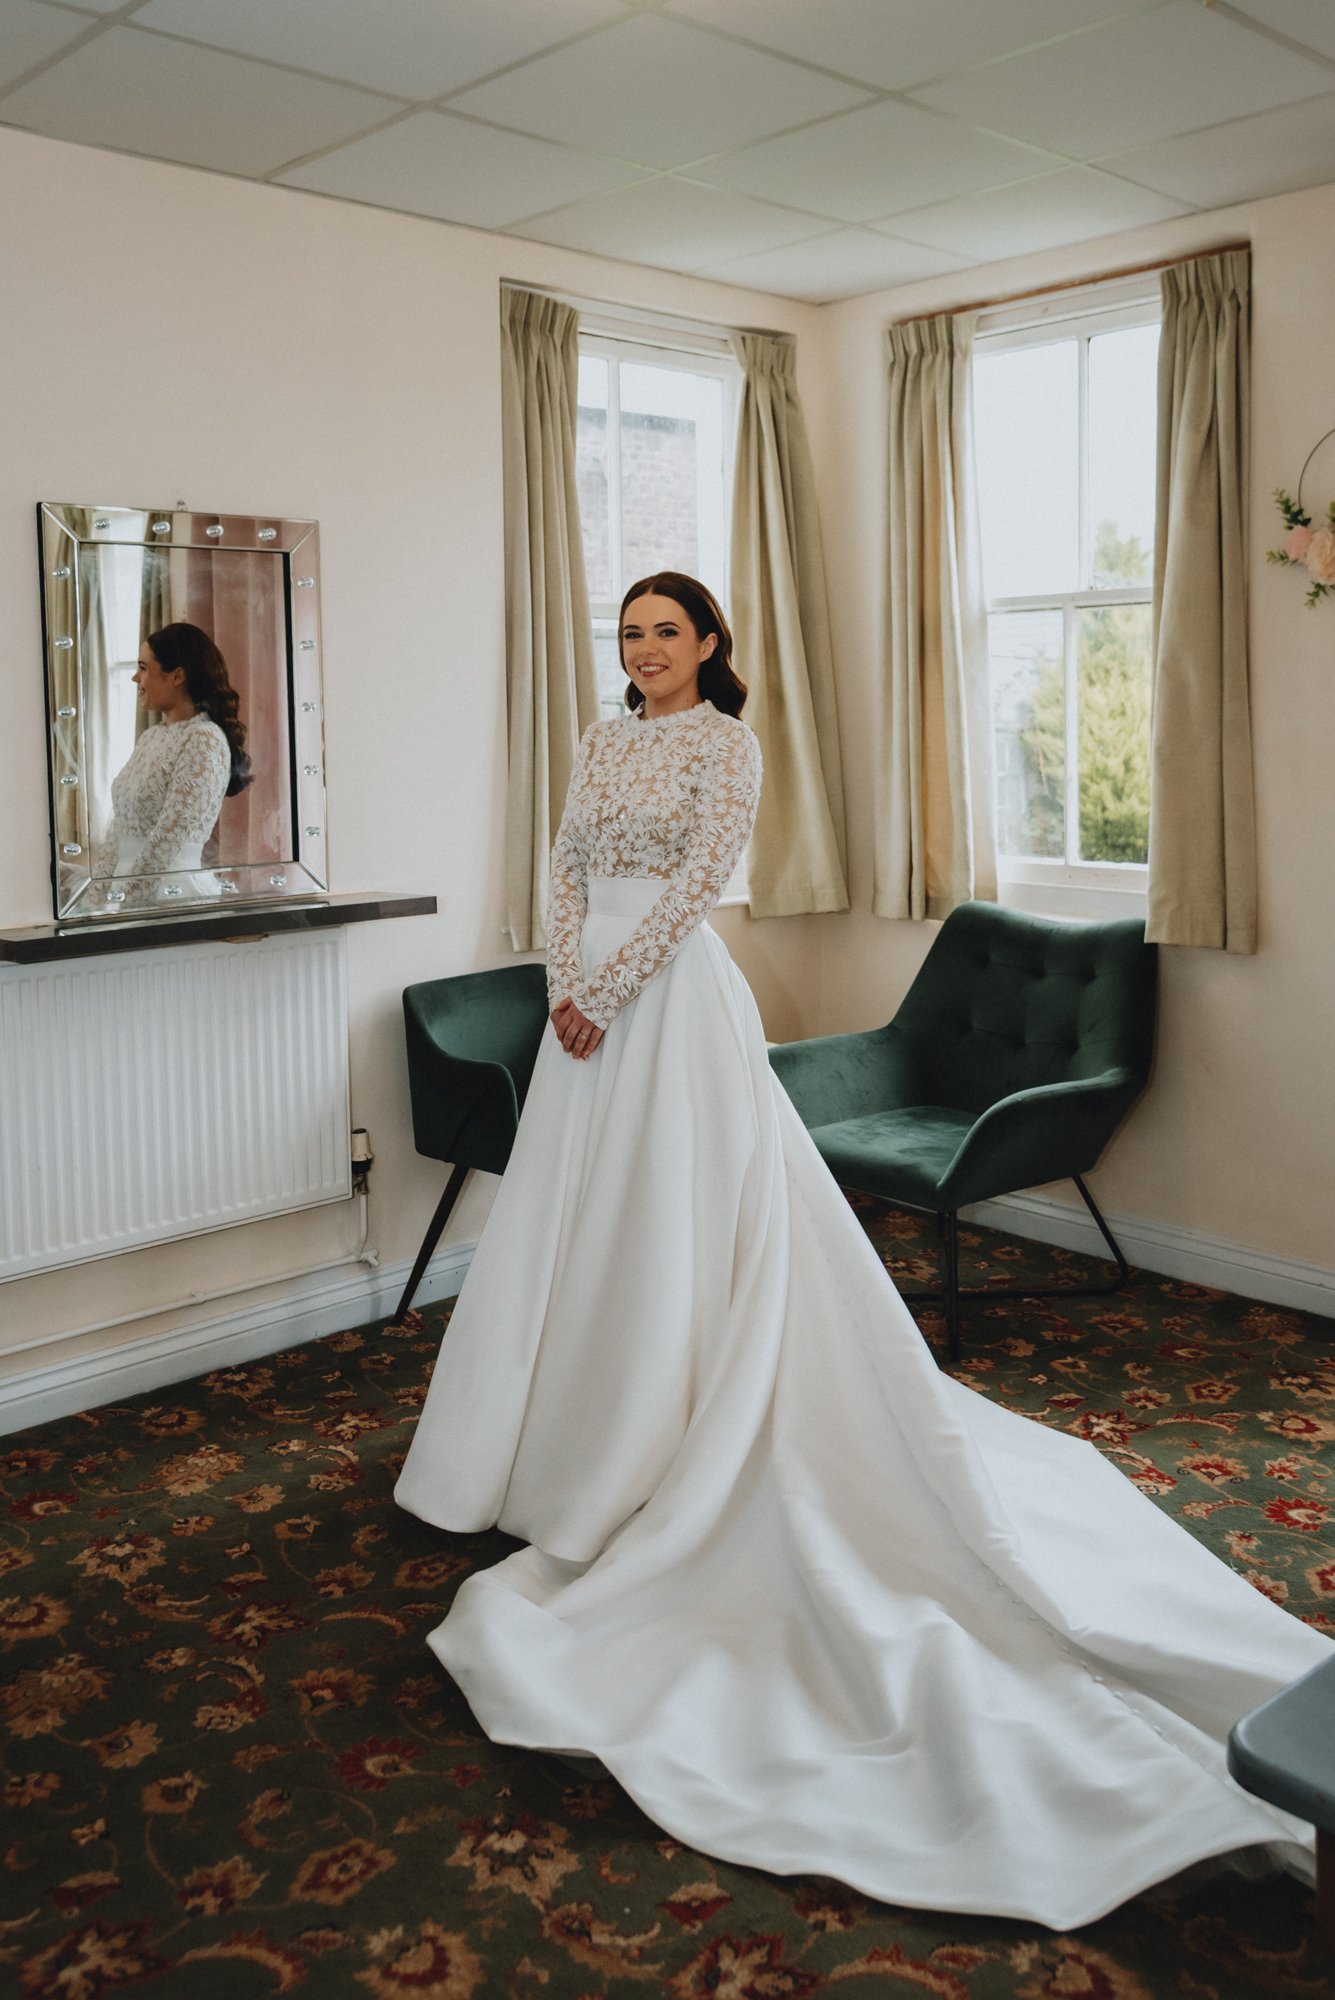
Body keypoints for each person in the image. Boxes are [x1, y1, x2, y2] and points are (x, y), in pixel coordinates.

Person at [394, 571, 1331, 1930]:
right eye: (631, 633)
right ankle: (542, 1442)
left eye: (665, 632)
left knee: (673, 1224)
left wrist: (609, 987)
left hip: (665, 1002)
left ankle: (660, 1428)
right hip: (585, 1004)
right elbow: (563, 867)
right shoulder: (599, 739)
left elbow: (695, 886)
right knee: (569, 1230)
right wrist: (562, 985)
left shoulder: (728, 742)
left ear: (708, 644)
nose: (644, 650)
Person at [98, 622, 252, 902]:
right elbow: (118, 829)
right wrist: (96, 898)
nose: (135, 678)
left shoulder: (204, 739)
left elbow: (170, 838)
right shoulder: (150, 737)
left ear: (177, 676)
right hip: (124, 889)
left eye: (143, 668)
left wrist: (129, 900)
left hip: (171, 892)